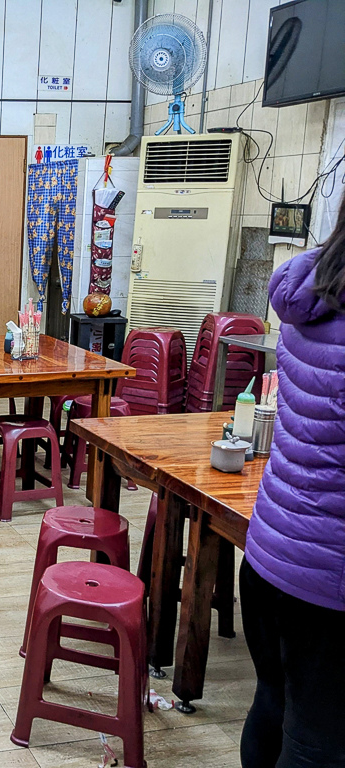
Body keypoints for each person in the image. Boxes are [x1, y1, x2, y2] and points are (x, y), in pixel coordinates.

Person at [240, 195, 345, 768]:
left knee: (273, 706)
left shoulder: (311, 299)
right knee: (317, 746)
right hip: (329, 577)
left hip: (269, 552)